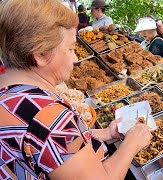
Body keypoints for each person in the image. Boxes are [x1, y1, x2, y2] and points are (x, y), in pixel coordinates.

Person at [0, 0, 152, 179]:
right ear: (40, 54)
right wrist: (132, 143)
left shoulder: (9, 92)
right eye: (71, 49)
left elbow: (60, 147)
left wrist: (107, 133)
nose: (75, 59)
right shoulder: (48, 117)